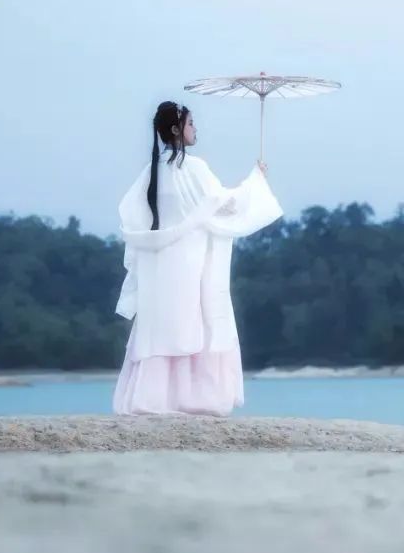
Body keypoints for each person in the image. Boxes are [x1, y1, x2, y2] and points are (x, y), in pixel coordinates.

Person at [112, 100, 281, 415]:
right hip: (191, 259)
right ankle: (196, 397)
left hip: (159, 263)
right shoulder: (195, 168)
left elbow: (134, 216)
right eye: (190, 123)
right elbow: (227, 204)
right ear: (176, 129)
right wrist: (256, 180)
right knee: (196, 318)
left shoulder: (150, 172)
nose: (195, 129)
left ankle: (153, 397)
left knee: (160, 322)